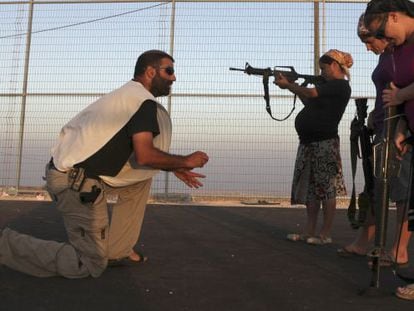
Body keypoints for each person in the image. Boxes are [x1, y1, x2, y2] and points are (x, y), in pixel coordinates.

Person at [0, 50, 209, 278]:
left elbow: (135, 155)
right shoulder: (143, 103)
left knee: (139, 183)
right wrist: (185, 160)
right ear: (150, 72)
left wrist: (174, 166)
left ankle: (117, 251)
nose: (174, 78)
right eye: (169, 71)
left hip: (85, 177)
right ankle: (5, 245)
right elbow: (145, 155)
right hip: (74, 184)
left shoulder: (127, 96)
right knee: (88, 264)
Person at [337, 14, 412, 269]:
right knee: (374, 186)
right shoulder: (386, 56)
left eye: (369, 41)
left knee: (402, 189)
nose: (368, 48)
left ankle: (398, 249)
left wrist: (399, 124)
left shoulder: (402, 53)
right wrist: (374, 114)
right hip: (381, 123)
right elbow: (385, 91)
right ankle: (363, 242)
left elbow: (402, 90)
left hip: (398, 124)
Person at [274, 49, 352, 245]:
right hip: (308, 142)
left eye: (324, 68)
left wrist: (290, 86)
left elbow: (311, 92)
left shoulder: (340, 86)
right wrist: (295, 88)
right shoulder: (327, 86)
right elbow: (310, 101)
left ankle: (325, 234)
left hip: (324, 142)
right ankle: (309, 231)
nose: (322, 72)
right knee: (310, 189)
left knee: (326, 189)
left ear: (335, 65)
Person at [364, 0, 414, 300]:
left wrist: (401, 94)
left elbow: (401, 92)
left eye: (380, 31)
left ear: (393, 16)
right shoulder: (403, 47)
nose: (383, 40)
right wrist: (401, 130)